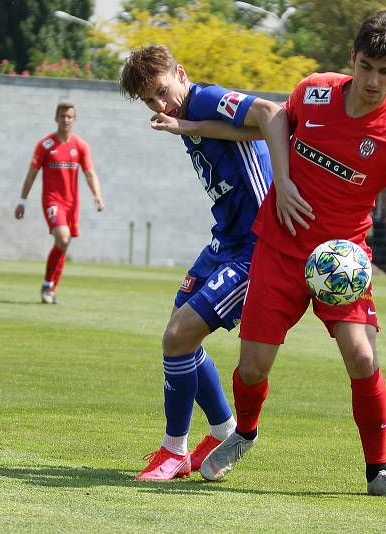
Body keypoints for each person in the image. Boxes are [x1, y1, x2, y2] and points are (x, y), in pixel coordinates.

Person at [154, 10, 386, 500]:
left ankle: (379, 473)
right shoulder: (315, 91)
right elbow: (271, 124)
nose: (372, 81)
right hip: (279, 248)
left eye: (385, 72)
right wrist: (275, 176)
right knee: (254, 367)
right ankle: (244, 432)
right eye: (366, 66)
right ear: (353, 59)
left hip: (341, 264)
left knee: (362, 357)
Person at [118, 45, 284, 480]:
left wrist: (283, 183)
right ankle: (222, 428)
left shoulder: (205, 99)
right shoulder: (186, 114)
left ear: (181, 72)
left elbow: (272, 113)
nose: (159, 104)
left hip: (255, 246)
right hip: (224, 241)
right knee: (179, 334)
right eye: (149, 101)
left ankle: (174, 450)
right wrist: (186, 125)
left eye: (161, 90)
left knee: (177, 336)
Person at [14, 102, 105, 304]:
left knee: (63, 245)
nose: (66, 120)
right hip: (52, 201)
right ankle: (48, 286)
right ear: (55, 119)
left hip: (72, 204)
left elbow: (90, 173)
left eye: (69, 116)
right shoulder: (46, 145)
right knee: (63, 239)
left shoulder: (80, 146)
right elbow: (32, 174)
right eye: (62, 116)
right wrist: (22, 200)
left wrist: (97, 195)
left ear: (75, 119)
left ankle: (49, 288)